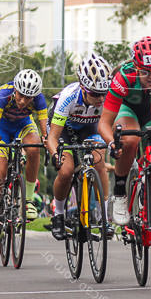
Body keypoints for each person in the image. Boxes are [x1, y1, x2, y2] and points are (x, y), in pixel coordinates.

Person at [98, 37, 151, 226]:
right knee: (129, 138)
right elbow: (104, 123)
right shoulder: (124, 76)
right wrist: (112, 143)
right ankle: (120, 191)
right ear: (135, 68)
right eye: (145, 73)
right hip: (127, 110)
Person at [45, 52, 113, 241]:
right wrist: (54, 155)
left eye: (103, 93)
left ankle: (103, 216)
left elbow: (110, 127)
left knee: (99, 164)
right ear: (83, 88)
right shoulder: (69, 98)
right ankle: (58, 215)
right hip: (64, 129)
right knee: (66, 171)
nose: (100, 99)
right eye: (94, 93)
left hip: (90, 128)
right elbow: (52, 137)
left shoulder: (106, 97)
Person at [0, 69, 48, 245]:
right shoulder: (3, 94)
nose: (23, 101)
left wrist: (47, 142)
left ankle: (28, 200)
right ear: (15, 90)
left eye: (28, 98)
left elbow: (45, 133)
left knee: (34, 147)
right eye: (20, 95)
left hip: (23, 125)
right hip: (2, 129)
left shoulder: (40, 100)